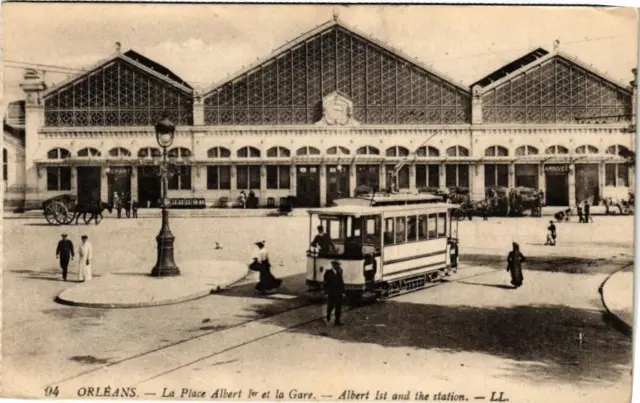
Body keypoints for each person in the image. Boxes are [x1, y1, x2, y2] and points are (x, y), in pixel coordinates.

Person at [323, 260, 345, 326]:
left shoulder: (339, 272)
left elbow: (341, 283)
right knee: (331, 306)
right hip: (331, 293)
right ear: (333, 265)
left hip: (339, 293)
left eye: (338, 265)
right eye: (337, 265)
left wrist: (343, 292)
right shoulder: (328, 272)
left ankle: (337, 321)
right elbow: (325, 284)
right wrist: (326, 292)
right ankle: (328, 316)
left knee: (338, 307)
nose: (338, 266)